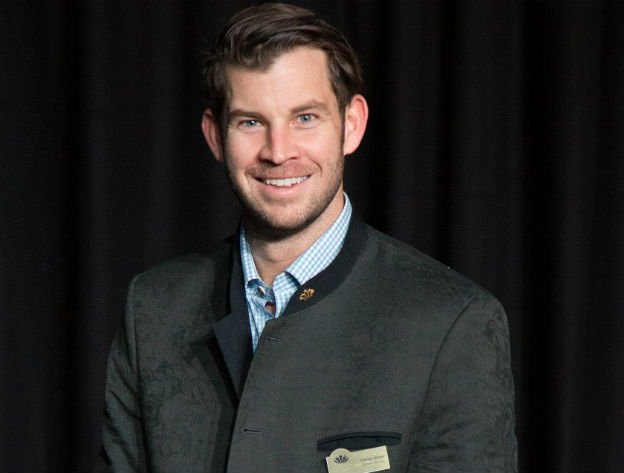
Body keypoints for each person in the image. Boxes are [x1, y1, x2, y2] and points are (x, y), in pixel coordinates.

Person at [95, 3, 517, 472]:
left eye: (305, 118)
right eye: (251, 122)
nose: (279, 152)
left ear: (351, 124)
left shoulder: (451, 322)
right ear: (215, 137)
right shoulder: (153, 310)